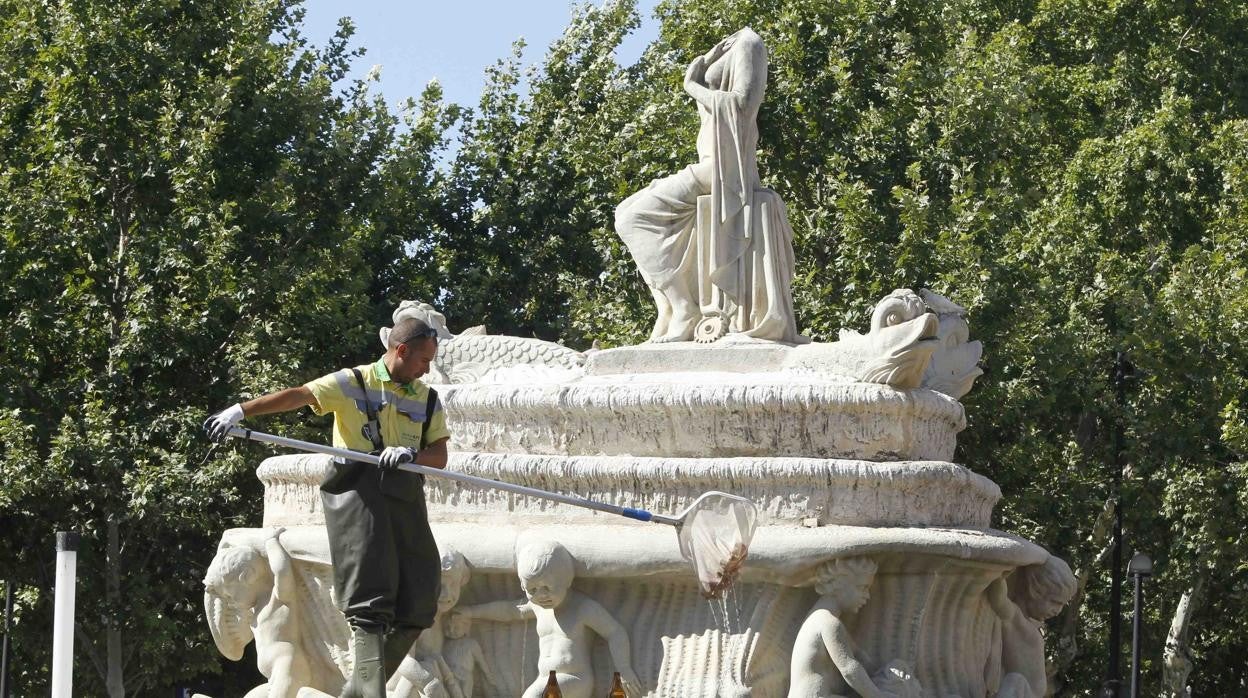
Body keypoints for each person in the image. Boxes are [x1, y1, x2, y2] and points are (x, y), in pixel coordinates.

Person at [205, 316, 450, 698]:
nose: (427, 368)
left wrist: (412, 453)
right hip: (359, 493)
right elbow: (300, 395)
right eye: (423, 360)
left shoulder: (427, 398)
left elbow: (440, 455)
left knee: (422, 595)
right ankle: (370, 694)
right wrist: (242, 410)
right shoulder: (351, 383)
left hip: (404, 494)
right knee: (370, 600)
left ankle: (356, 691)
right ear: (401, 350)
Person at [614, 27, 799, 343]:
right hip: (707, 165)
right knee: (624, 210)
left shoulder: (750, 44)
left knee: (633, 219)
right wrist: (704, 64)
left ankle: (685, 308)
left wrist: (691, 86)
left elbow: (740, 106)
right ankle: (669, 310)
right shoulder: (730, 43)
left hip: (722, 170)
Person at [452, 538, 641, 698]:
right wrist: (471, 612)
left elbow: (615, 631)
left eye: (547, 588)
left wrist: (624, 669)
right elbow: (510, 611)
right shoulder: (538, 607)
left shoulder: (582, 607)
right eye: (532, 590)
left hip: (575, 678)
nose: (541, 595)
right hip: (544, 679)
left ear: (566, 580)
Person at [788, 557, 900, 698]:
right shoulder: (828, 622)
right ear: (840, 584)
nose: (867, 596)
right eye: (862, 587)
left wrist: (887, 671)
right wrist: (878, 695)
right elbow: (849, 668)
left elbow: (859, 656)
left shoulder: (818, 617)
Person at [986, 556, 1076, 698]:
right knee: (1016, 680)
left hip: (1027, 693)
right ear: (1035, 590)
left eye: (1061, 605)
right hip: (1020, 690)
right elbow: (999, 601)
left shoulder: (1030, 624)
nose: (1057, 611)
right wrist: (999, 574)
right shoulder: (1015, 618)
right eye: (1054, 602)